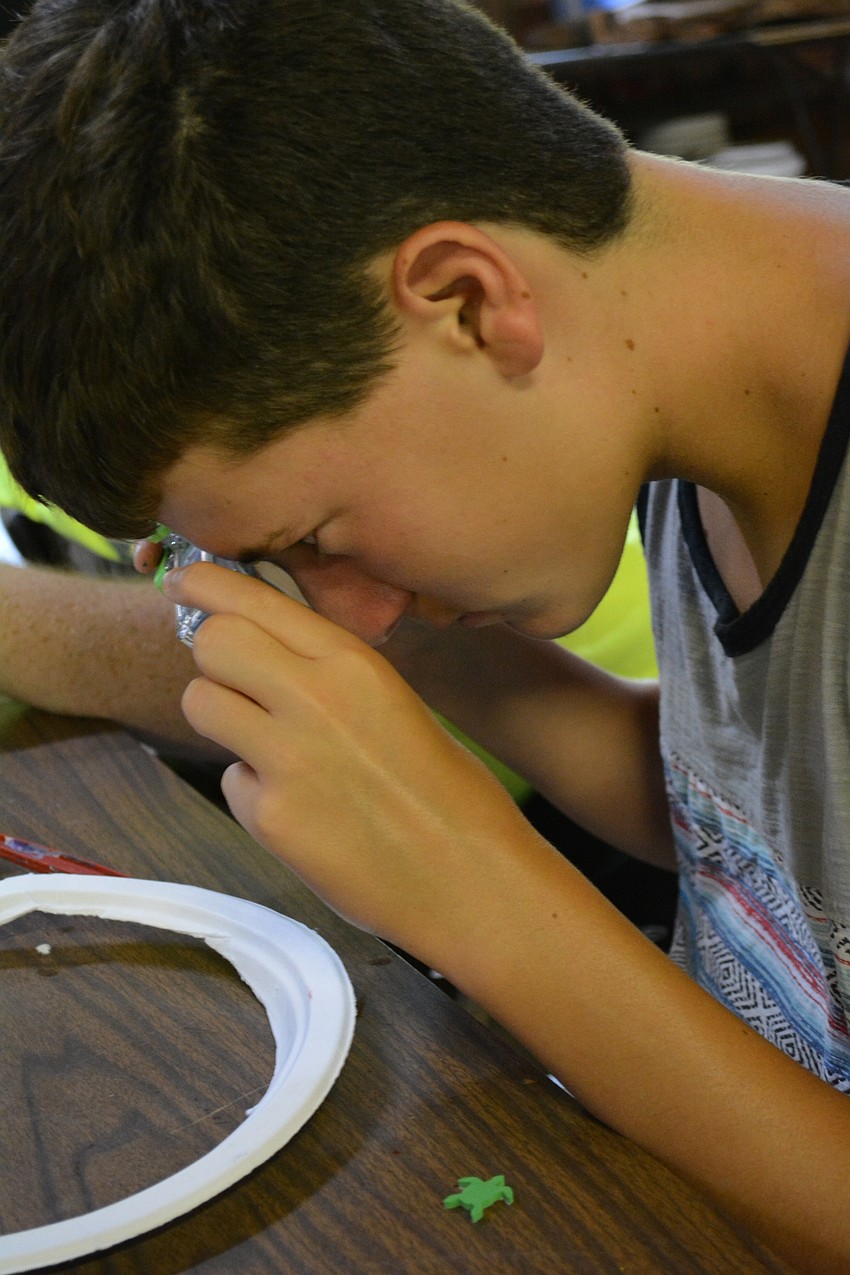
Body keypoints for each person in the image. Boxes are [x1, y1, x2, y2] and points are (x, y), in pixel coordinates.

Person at [0, 1, 848, 1267]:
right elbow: (763, 830)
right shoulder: (687, 360)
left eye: (319, 537)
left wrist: (470, 888)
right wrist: (422, 652)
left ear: (464, 298)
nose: (342, 603)